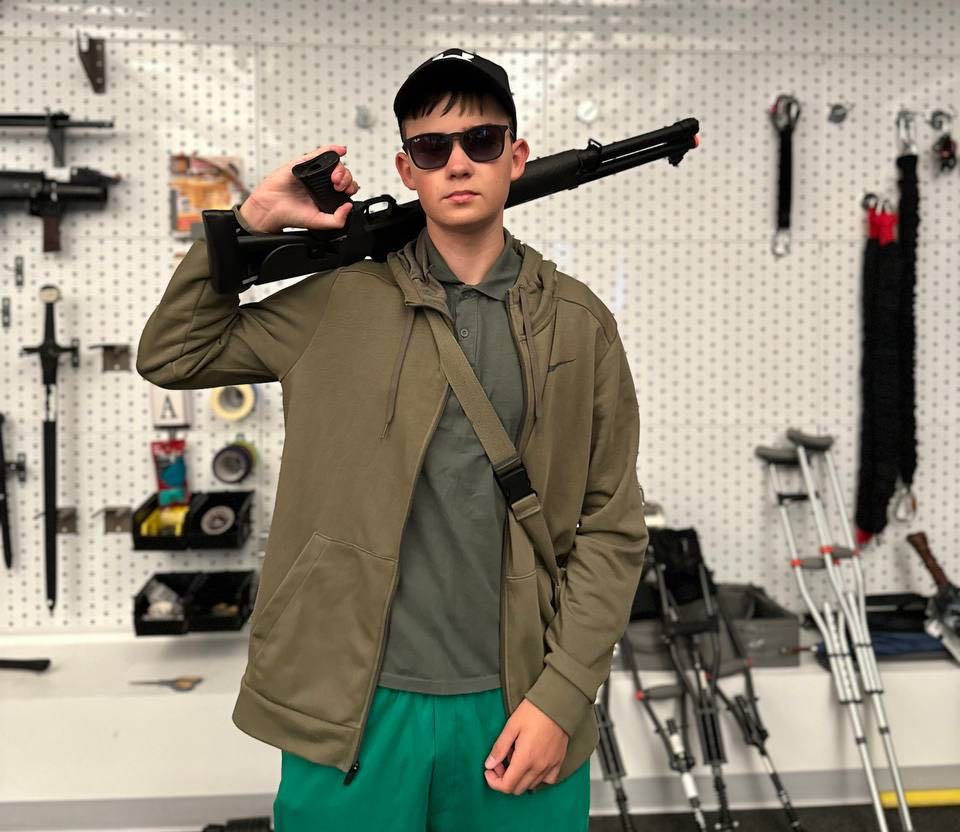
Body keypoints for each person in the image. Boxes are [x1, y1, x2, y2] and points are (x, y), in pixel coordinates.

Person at [136, 47, 648, 832]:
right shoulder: (336, 303)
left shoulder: (580, 324)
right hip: (350, 707)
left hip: (521, 701)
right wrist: (249, 222)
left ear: (516, 157)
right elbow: (174, 353)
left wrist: (566, 694)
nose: (458, 163)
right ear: (407, 171)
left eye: (481, 141)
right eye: (432, 148)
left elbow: (611, 526)